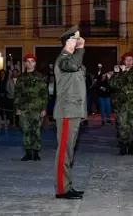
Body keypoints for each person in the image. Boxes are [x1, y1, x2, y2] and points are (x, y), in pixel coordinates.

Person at [54, 25, 87, 199]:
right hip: (66, 111)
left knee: (69, 151)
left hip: (74, 111)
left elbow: (80, 70)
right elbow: (74, 66)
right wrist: (80, 49)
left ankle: (67, 185)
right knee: (64, 152)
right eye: (75, 39)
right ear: (67, 41)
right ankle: (62, 189)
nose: (78, 42)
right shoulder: (63, 59)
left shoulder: (72, 59)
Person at [14, 54, 48, 161]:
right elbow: (17, 94)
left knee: (36, 130)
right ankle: (28, 152)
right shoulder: (20, 77)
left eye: (32, 61)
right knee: (26, 130)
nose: (29, 63)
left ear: (35, 63)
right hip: (24, 108)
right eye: (27, 61)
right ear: (24, 63)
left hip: (37, 108)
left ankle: (36, 152)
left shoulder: (40, 77)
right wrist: (17, 108)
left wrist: (44, 108)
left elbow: (44, 94)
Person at [109, 52, 133, 155]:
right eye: (126, 60)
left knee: (132, 125)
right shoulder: (118, 72)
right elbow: (113, 84)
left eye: (130, 60)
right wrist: (117, 73)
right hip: (121, 103)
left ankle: (131, 147)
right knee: (122, 125)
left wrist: (124, 73)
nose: (128, 62)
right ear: (123, 61)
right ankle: (123, 146)